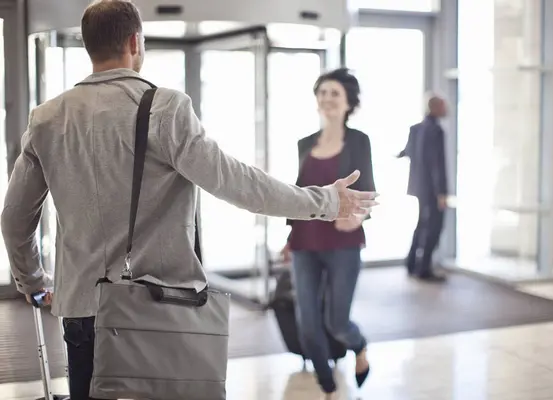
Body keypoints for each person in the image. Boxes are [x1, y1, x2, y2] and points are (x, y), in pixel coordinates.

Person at [0, 2, 378, 399]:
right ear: (135, 42)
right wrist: (326, 201)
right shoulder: (164, 108)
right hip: (157, 307)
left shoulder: (46, 118)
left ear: (88, 47)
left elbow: (14, 219)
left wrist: (34, 281)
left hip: (79, 309)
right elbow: (237, 183)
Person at [281, 68, 375, 398]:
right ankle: (329, 388)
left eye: (334, 93)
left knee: (337, 323)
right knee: (307, 325)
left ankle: (359, 346)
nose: (327, 98)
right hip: (306, 243)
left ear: (349, 101)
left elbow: (367, 192)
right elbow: (299, 195)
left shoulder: (359, 141)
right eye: (322, 93)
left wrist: (358, 217)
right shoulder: (304, 144)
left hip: (343, 244)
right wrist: (289, 239)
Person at [398, 94, 448, 282]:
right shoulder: (436, 131)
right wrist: (441, 192)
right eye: (443, 105)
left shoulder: (416, 129)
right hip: (432, 190)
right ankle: (423, 268)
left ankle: (412, 263)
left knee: (421, 225)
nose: (446, 109)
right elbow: (437, 164)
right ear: (435, 107)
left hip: (419, 187)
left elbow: (407, 152)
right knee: (434, 227)